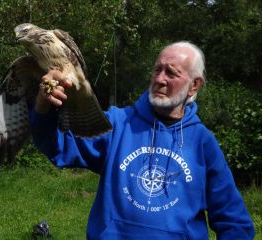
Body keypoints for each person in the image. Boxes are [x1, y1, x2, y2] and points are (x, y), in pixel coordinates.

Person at [28, 41, 255, 239]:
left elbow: (235, 223)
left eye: (171, 73)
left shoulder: (203, 143)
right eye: (157, 70)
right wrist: (43, 104)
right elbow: (58, 144)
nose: (159, 79)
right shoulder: (117, 124)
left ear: (194, 85)